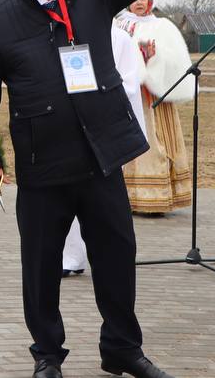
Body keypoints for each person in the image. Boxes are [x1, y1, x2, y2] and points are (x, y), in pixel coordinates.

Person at [0, 0, 175, 378]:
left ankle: (122, 348)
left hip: (100, 156)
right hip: (42, 163)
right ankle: (47, 356)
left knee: (118, 255)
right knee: (40, 268)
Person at [63, 23, 148, 278]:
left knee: (103, 206)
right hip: (68, 131)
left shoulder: (119, 38)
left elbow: (130, 83)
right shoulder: (62, 31)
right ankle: (70, 256)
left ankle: (108, 261)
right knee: (66, 196)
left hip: (106, 132)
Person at [114, 0, 193, 214]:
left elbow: (176, 59)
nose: (139, 2)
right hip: (130, 95)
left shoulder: (162, 26)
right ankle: (129, 197)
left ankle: (157, 198)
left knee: (161, 140)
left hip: (157, 96)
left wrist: (153, 57)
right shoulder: (120, 25)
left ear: (151, 0)